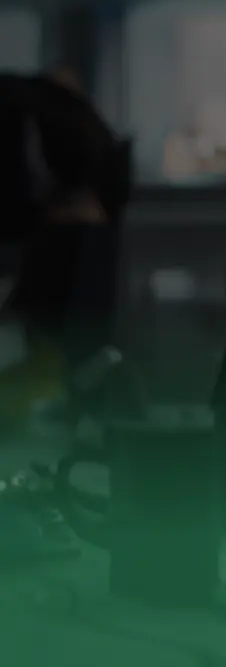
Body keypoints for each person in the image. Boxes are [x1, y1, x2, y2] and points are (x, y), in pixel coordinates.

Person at [0, 73, 129, 430]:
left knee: (54, 360)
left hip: (64, 229)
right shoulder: (38, 102)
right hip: (77, 222)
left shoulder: (19, 108)